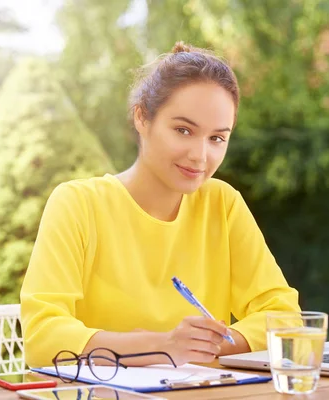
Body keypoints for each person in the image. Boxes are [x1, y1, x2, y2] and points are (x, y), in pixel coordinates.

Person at [20, 41, 301, 368]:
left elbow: (284, 317)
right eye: (183, 130)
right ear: (142, 117)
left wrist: (202, 347)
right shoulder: (78, 204)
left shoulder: (222, 204)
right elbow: (42, 338)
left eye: (217, 138)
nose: (200, 155)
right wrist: (163, 346)